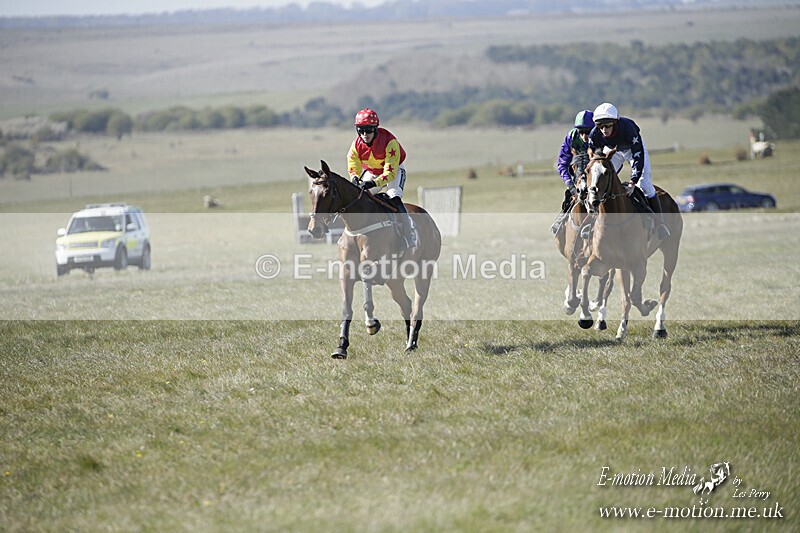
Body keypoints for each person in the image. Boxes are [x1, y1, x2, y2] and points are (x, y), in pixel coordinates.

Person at [588, 102, 670, 239]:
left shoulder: (628, 129)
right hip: (613, 151)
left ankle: (660, 224)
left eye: (607, 125)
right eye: (600, 126)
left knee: (645, 185)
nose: (604, 130)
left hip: (632, 150)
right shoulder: (594, 135)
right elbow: (594, 160)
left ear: (615, 122)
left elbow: (638, 157)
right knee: (601, 181)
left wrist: (632, 182)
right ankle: (591, 222)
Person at [347, 108, 416, 250]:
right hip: (372, 171)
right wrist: (354, 178)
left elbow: (389, 174)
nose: (365, 134)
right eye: (361, 130)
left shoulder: (390, 142)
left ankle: (408, 236)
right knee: (359, 197)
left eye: (368, 130)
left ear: (376, 129)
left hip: (394, 170)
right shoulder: (357, 144)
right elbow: (353, 161)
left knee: (394, 197)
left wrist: (373, 183)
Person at [551, 110, 594, 235]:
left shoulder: (599, 136)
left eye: (588, 131)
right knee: (570, 197)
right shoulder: (571, 137)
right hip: (578, 174)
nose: (585, 135)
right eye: (581, 131)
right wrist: (570, 185)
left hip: (598, 174)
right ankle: (562, 219)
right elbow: (562, 164)